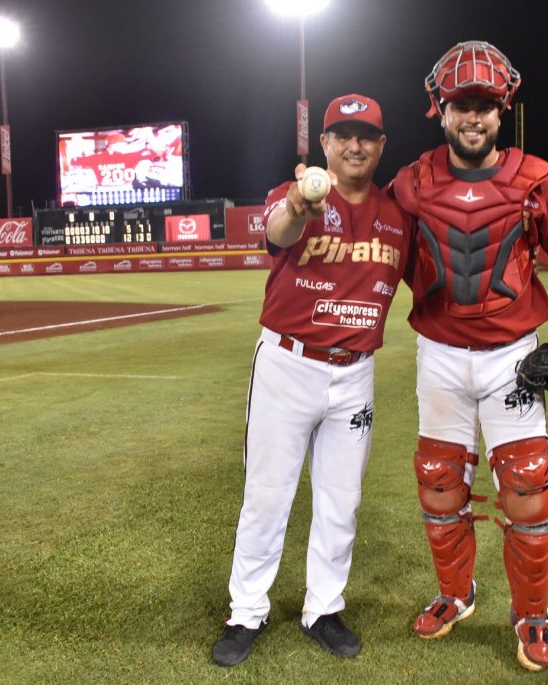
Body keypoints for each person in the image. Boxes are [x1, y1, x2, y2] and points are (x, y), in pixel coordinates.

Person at [388, 41, 548, 672]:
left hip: (511, 357)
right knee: (439, 483)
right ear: (440, 109)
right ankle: (456, 594)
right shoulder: (410, 185)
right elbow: (377, 251)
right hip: (438, 354)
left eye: (485, 105)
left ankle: (531, 614)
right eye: (462, 104)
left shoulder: (534, 181)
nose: (473, 117)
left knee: (527, 486)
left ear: (502, 110)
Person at [212, 94, 413, 667]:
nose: (354, 145)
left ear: (381, 145)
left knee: (341, 501)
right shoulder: (295, 195)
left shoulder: (397, 217)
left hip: (356, 374)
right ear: (324, 143)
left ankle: (323, 608)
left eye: (366, 135)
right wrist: (299, 205)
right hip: (289, 365)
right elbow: (278, 231)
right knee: (267, 496)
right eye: (342, 135)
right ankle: (246, 611)